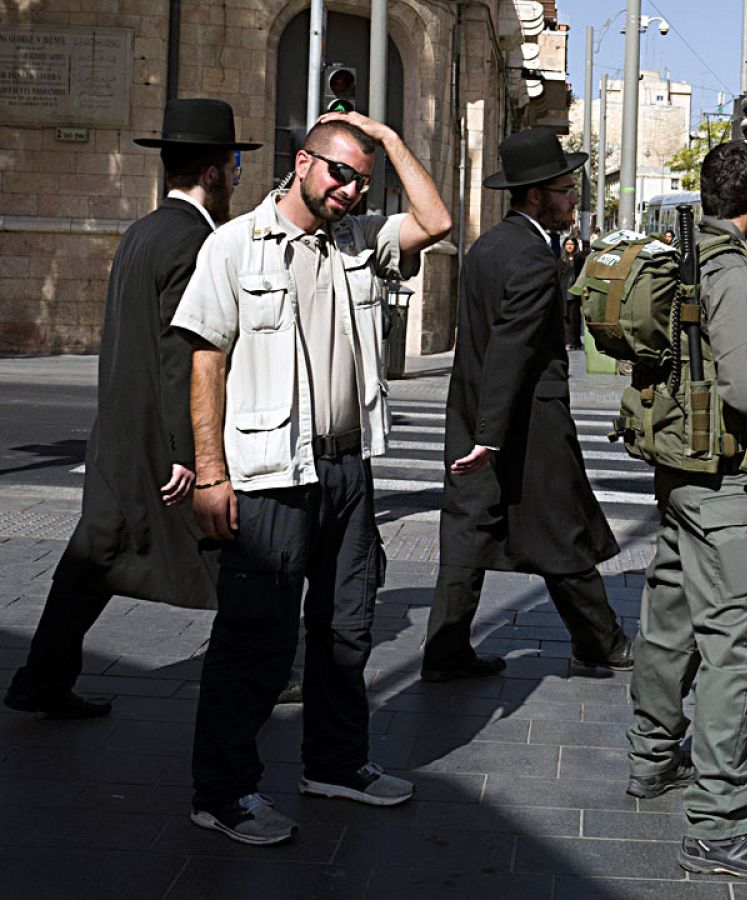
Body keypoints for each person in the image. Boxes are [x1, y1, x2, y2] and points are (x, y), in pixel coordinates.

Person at [172, 111, 451, 845]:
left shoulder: (358, 243)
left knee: (345, 630)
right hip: (269, 473)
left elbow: (438, 220)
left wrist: (387, 141)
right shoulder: (234, 247)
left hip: (347, 466)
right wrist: (209, 474)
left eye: (363, 180)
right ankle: (223, 791)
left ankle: (334, 763)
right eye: (339, 172)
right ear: (301, 164)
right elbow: (205, 363)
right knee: (255, 640)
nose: (352, 191)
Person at [4, 100, 254, 720]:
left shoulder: (144, 231)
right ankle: (270, 666)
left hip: (118, 433)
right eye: (236, 165)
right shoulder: (199, 242)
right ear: (215, 172)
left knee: (91, 561)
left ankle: (41, 680)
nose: (236, 177)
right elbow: (182, 355)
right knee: (236, 556)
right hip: (155, 444)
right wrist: (190, 452)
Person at [625, 142, 747, 883]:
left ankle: (650, 758)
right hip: (724, 484)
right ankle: (717, 824)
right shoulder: (735, 273)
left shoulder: (682, 259)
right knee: (733, 644)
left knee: (670, 619)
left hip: (678, 472)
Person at [424, 128, 631, 683]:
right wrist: (492, 436)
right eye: (565, 190)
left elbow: (479, 342)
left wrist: (478, 427)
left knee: (468, 532)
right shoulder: (535, 259)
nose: (574, 200)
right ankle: (599, 643)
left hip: (474, 410)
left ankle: (444, 650)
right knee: (562, 532)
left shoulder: (489, 246)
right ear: (536, 194)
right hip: (525, 422)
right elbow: (512, 350)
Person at [561, 235, 587, 350]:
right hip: (564, 292)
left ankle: (575, 341)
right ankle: (567, 341)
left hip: (576, 293)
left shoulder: (580, 259)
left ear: (575, 246)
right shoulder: (561, 260)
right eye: (567, 244)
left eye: (571, 244)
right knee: (565, 317)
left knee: (575, 317)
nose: (569, 246)